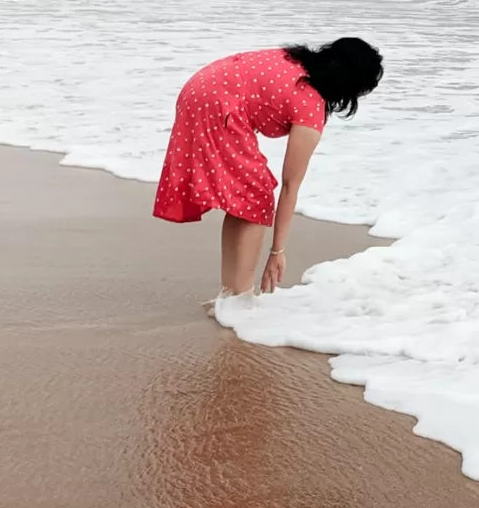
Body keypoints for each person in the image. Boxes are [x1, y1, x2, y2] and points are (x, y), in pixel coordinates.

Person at [153, 39, 384, 325]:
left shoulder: (295, 61)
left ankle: (229, 295)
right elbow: (290, 185)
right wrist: (278, 251)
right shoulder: (310, 103)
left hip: (199, 89)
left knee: (242, 199)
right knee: (256, 197)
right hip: (215, 103)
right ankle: (242, 299)